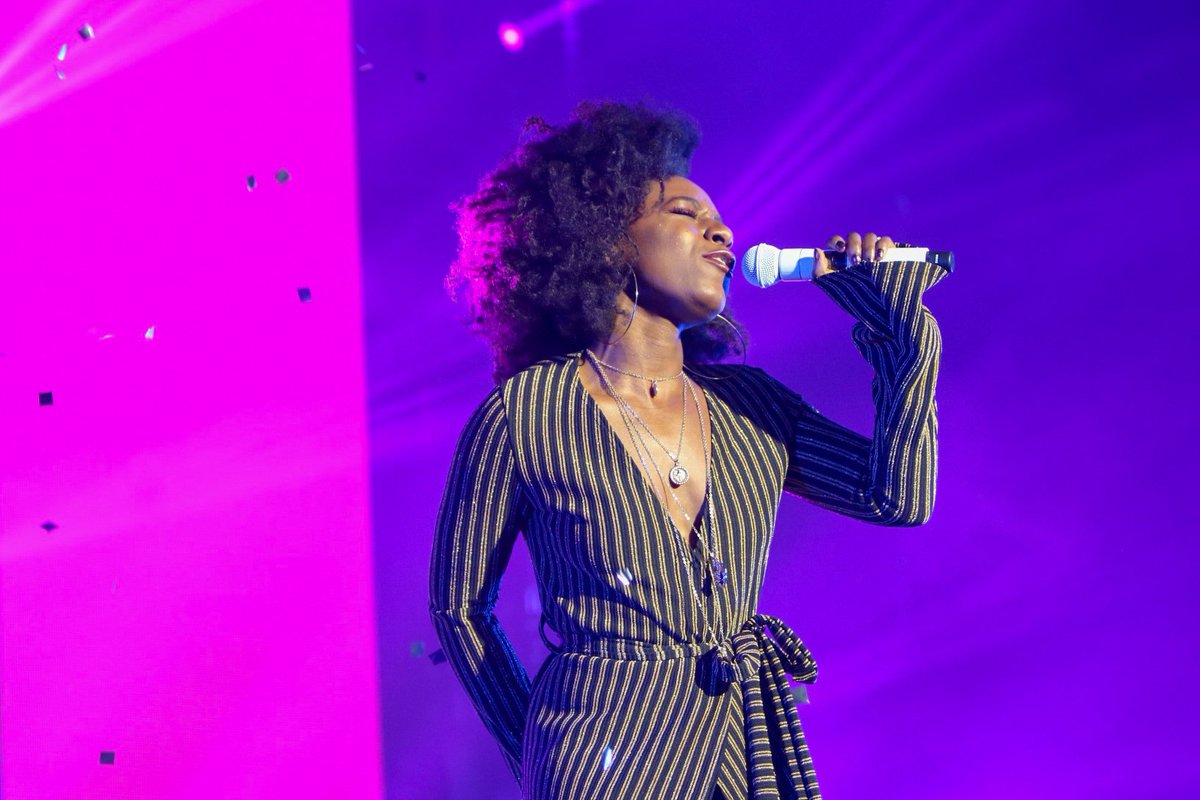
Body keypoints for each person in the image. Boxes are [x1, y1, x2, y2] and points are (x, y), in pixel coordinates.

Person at [428, 100, 946, 800]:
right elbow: (460, 606)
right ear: (606, 240)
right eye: (684, 212)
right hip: (598, 758)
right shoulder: (526, 415)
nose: (723, 232)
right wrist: (540, 748)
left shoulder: (752, 406)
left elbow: (897, 496)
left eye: (718, 220)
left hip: (741, 754)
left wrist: (901, 336)